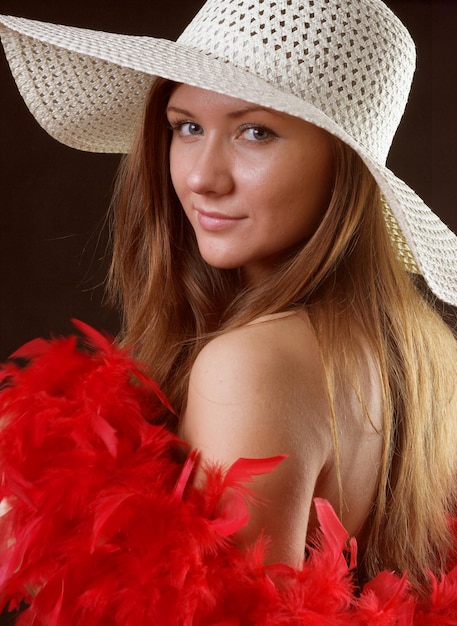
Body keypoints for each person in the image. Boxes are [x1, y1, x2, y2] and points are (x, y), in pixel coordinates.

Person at [1, 0, 457, 622]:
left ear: (344, 166)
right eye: (187, 126)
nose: (201, 178)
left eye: (255, 132)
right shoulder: (423, 348)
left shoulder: (252, 363)